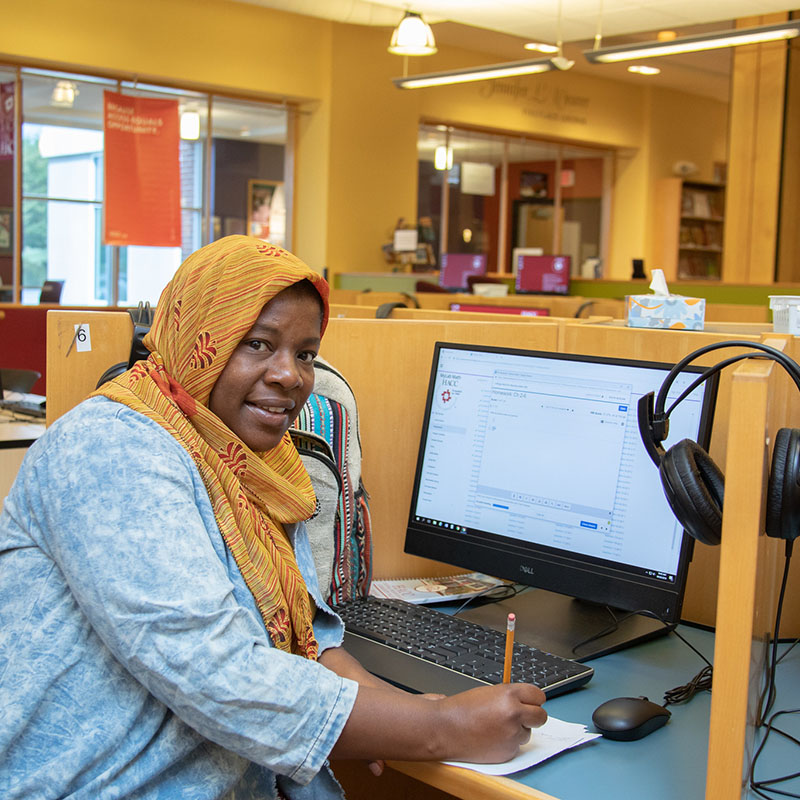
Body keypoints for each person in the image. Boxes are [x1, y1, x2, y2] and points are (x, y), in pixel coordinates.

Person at [0, 235, 546, 799]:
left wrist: (402, 713)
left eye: (306, 353)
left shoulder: (260, 463)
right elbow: (217, 673)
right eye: (258, 344)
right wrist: (439, 729)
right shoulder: (110, 448)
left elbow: (306, 638)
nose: (291, 376)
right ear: (199, 341)